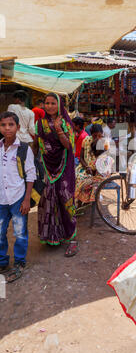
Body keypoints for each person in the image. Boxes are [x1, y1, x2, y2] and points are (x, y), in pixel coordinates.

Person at [33, 92, 78, 256]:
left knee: (65, 200)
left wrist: (58, 129)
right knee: (48, 201)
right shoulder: (40, 123)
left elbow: (68, 146)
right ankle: (52, 236)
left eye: (53, 103)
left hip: (63, 167)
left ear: (59, 105)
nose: (50, 106)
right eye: (47, 103)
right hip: (46, 167)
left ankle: (72, 238)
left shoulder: (65, 122)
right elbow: (38, 144)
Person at [0, 111, 36, 282]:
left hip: (17, 197)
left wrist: (27, 198)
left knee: (19, 232)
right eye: (3, 125)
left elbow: (30, 175)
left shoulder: (24, 149)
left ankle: (19, 262)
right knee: (0, 232)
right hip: (1, 199)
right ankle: (2, 261)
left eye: (11, 125)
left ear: (18, 127)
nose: (7, 128)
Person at [75, 124, 111, 205]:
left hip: (100, 170)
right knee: (80, 178)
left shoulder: (105, 143)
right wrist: (87, 167)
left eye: (100, 136)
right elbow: (81, 158)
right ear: (91, 134)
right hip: (86, 167)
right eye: (95, 136)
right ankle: (81, 201)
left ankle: (89, 200)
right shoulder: (86, 140)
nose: (98, 138)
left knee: (94, 182)